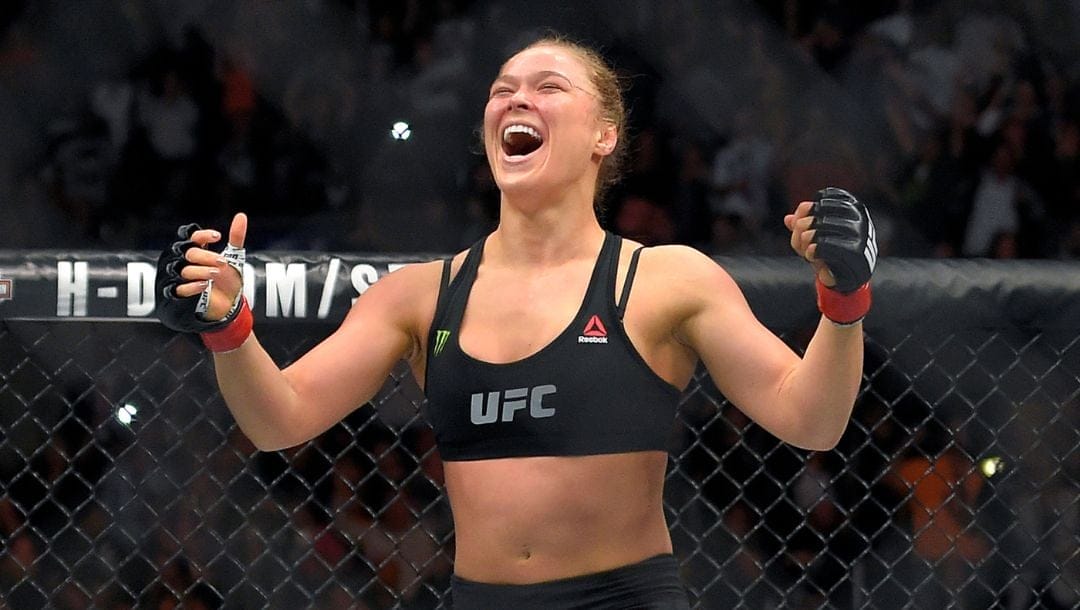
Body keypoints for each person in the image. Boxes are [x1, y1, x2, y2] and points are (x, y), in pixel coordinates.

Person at [155, 35, 877, 609]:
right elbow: (280, 419)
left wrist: (842, 302)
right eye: (502, 91)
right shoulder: (419, 296)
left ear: (603, 134)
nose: (515, 100)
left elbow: (810, 420)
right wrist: (229, 329)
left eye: (547, 87)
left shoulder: (662, 280)